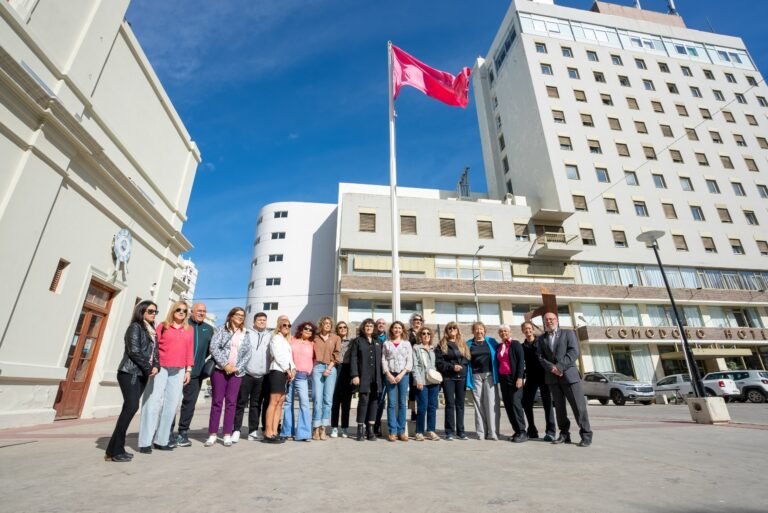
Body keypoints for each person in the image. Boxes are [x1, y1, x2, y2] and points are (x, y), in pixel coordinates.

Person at [105, 300, 160, 462]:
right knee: (131, 407)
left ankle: (113, 449)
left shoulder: (152, 331)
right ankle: (115, 450)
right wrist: (149, 368)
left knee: (128, 410)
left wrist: (157, 365)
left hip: (142, 374)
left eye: (155, 312)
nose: (153, 314)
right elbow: (134, 351)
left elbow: (155, 352)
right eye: (150, 311)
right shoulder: (135, 328)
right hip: (129, 373)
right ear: (141, 311)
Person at [138, 300, 193, 452]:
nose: (181, 312)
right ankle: (144, 442)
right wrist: (152, 366)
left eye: (184, 310)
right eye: (178, 310)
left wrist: (188, 370)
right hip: (160, 368)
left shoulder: (189, 329)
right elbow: (154, 347)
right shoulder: (163, 326)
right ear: (173, 311)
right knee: (153, 402)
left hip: (179, 369)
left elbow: (189, 350)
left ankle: (161, 440)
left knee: (171, 405)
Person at [537, 311, 593, 447]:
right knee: (560, 409)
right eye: (547, 319)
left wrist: (560, 367)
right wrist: (552, 369)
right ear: (544, 322)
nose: (549, 321)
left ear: (557, 320)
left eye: (552, 319)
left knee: (579, 407)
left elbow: (573, 352)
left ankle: (586, 435)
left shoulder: (568, 334)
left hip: (570, 377)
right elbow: (540, 357)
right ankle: (564, 434)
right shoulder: (541, 338)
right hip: (553, 378)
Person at [205, 307, 252, 447]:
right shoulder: (221, 329)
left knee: (231, 403)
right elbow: (214, 347)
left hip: (236, 373)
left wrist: (237, 367)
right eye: (237, 315)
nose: (240, 317)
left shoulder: (245, 333)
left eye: (242, 315)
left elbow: (248, 353)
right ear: (231, 316)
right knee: (217, 402)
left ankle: (227, 434)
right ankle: (212, 434)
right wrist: (225, 364)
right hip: (220, 370)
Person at [173, 303, 213, 447]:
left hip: (195, 374)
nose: (201, 313)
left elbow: (210, 350)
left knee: (189, 404)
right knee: (171, 402)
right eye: (199, 311)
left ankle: (183, 432)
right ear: (192, 312)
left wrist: (201, 362)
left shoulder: (209, 329)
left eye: (204, 311)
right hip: (176, 371)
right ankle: (167, 430)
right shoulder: (183, 324)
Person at [233, 312, 272, 443]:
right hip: (247, 374)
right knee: (241, 403)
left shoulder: (270, 335)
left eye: (264, 320)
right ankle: (236, 430)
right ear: (254, 322)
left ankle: (252, 431)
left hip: (262, 376)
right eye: (260, 320)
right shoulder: (247, 333)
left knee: (256, 405)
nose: (262, 322)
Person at [521, 321, 555, 441]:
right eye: (525, 329)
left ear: (533, 330)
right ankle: (532, 430)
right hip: (531, 377)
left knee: (547, 403)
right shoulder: (522, 346)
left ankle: (550, 431)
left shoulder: (541, 342)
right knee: (526, 402)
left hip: (544, 375)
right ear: (523, 331)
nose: (528, 331)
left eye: (529, 328)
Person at [466, 321, 501, 441]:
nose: (479, 331)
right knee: (478, 404)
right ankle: (481, 432)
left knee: (491, 404)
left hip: (490, 375)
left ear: (484, 331)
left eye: (481, 329)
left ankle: (493, 432)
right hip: (475, 376)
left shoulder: (491, 342)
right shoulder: (468, 344)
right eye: (476, 329)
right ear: (473, 331)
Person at [435, 322, 470, 441]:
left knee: (460, 405)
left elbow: (466, 359)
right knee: (450, 404)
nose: (452, 330)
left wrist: (461, 367)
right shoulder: (442, 344)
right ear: (446, 330)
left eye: (454, 328)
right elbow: (439, 363)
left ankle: (461, 431)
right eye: (449, 328)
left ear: (458, 330)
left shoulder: (463, 344)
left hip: (461, 377)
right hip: (448, 378)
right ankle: (449, 431)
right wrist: (452, 367)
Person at [281, 321, 315, 442]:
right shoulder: (292, 340)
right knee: (288, 403)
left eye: (311, 330)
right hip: (290, 374)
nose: (308, 331)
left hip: (302, 376)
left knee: (304, 403)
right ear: (301, 329)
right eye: (306, 328)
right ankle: (287, 432)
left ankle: (304, 433)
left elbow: (315, 358)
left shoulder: (312, 343)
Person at [263, 315, 295, 444]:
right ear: (279, 327)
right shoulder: (276, 338)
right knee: (273, 401)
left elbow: (289, 358)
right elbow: (277, 355)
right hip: (277, 371)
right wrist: (286, 369)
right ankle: (268, 432)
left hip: (286, 373)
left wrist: (293, 369)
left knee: (280, 402)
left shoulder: (286, 341)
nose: (286, 327)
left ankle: (275, 431)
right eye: (284, 325)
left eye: (288, 325)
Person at [350, 318, 383, 441]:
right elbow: (353, 358)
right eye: (367, 326)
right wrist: (355, 375)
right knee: (363, 400)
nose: (369, 327)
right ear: (363, 328)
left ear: (374, 328)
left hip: (376, 377)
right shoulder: (358, 341)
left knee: (374, 401)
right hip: (363, 376)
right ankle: (360, 428)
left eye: (371, 326)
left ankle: (370, 429)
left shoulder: (378, 341)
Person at [382, 320, 413, 441]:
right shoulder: (387, 344)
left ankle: (401, 431)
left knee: (402, 403)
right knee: (391, 403)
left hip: (403, 375)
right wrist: (388, 374)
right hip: (390, 375)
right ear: (391, 330)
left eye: (399, 328)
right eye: (395, 328)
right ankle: (392, 431)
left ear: (402, 330)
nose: (397, 330)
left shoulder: (407, 344)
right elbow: (383, 360)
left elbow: (409, 361)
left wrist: (402, 374)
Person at [311, 316, 341, 440]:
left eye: (329, 323)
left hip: (331, 368)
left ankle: (323, 428)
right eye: (325, 323)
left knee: (327, 400)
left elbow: (337, 354)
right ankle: (315, 428)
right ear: (321, 324)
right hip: (317, 368)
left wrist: (329, 368)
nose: (327, 325)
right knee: (317, 399)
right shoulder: (315, 338)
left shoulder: (336, 338)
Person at [497, 324, 526, 442]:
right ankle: (516, 431)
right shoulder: (500, 347)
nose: (503, 333)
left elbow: (520, 362)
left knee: (515, 404)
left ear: (510, 332)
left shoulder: (515, 344)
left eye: (505, 331)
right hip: (503, 379)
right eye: (501, 332)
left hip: (514, 379)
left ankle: (523, 431)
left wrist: (520, 377)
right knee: (508, 405)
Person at [411, 326, 440, 441]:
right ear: (420, 336)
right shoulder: (417, 348)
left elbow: (436, 365)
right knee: (422, 407)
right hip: (422, 382)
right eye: (423, 333)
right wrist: (418, 380)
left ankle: (431, 430)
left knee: (432, 407)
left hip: (434, 382)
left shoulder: (434, 349)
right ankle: (419, 432)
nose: (426, 335)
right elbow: (415, 366)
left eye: (428, 333)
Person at [330, 321, 353, 438]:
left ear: (347, 329)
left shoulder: (352, 342)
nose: (343, 329)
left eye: (344, 327)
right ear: (337, 329)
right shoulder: (333, 340)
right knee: (335, 402)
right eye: (340, 327)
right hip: (335, 368)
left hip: (348, 370)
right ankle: (334, 427)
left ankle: (344, 428)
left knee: (346, 403)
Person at [407, 313, 424, 423]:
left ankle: (421, 415)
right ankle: (413, 413)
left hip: (422, 366)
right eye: (415, 319)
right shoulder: (408, 334)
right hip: (411, 366)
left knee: (421, 390)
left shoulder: (425, 332)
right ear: (412, 321)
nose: (417, 321)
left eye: (420, 320)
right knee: (412, 391)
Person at [373, 317, 388, 436]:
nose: (381, 325)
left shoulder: (389, 338)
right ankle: (372, 425)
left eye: (383, 323)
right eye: (379, 323)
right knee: (374, 400)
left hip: (388, 372)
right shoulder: (372, 337)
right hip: (374, 373)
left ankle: (376, 425)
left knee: (382, 401)